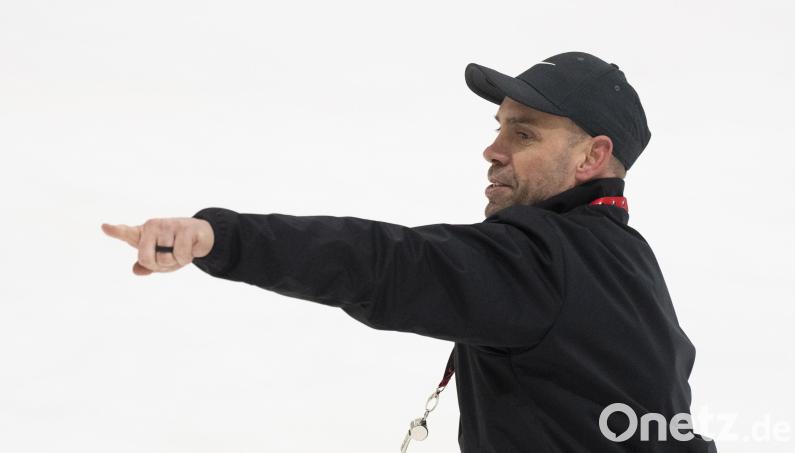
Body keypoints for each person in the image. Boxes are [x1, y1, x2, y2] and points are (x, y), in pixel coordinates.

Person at [102, 51, 718, 452]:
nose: (493, 150)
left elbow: (388, 262)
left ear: (592, 156)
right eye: (498, 126)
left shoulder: (540, 259)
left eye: (523, 132)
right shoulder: (624, 256)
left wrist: (222, 239)